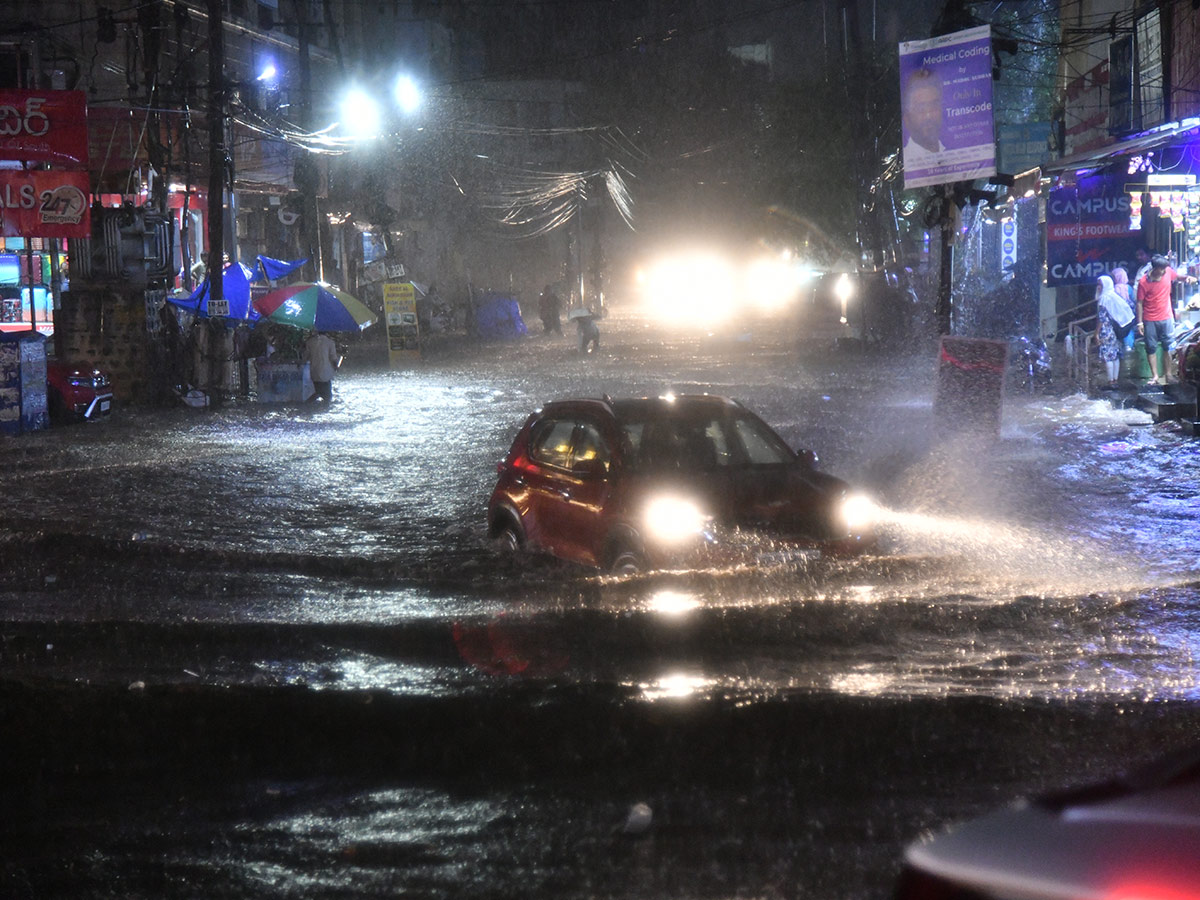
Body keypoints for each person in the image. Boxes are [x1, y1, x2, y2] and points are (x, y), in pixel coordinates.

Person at [1136, 255, 1180, 385]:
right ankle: (1155, 376)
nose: (1164, 271)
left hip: (1167, 317)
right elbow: (1139, 303)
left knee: (1168, 346)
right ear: (1155, 268)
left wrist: (1187, 278)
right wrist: (1139, 323)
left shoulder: (1168, 273)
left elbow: (1177, 277)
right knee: (1151, 348)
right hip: (1149, 319)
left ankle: (1168, 374)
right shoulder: (1143, 282)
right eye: (1161, 269)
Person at [901, 68, 947, 170]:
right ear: (907, 119)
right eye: (921, 109)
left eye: (934, 106)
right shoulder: (904, 166)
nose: (929, 115)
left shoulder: (954, 156)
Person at [1095, 275, 1133, 387]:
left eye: (1100, 285)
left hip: (1107, 331)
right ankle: (1115, 380)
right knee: (1115, 355)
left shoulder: (1104, 298)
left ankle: (1110, 381)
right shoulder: (1114, 295)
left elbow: (1101, 318)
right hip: (1118, 329)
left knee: (1108, 356)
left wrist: (1096, 333)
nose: (1098, 287)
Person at [303, 330, 341, 403]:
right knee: (327, 396)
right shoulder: (330, 342)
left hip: (315, 372)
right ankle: (323, 406)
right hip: (326, 374)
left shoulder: (310, 342)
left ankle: (309, 403)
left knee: (318, 391)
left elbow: (305, 357)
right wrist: (336, 366)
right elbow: (333, 358)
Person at [1110, 266, 1135, 353]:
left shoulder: (1113, 289)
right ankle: (1129, 348)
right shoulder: (1128, 288)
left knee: (1118, 332)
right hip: (1129, 315)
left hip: (1117, 316)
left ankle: (1120, 352)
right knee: (1129, 331)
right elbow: (1133, 300)